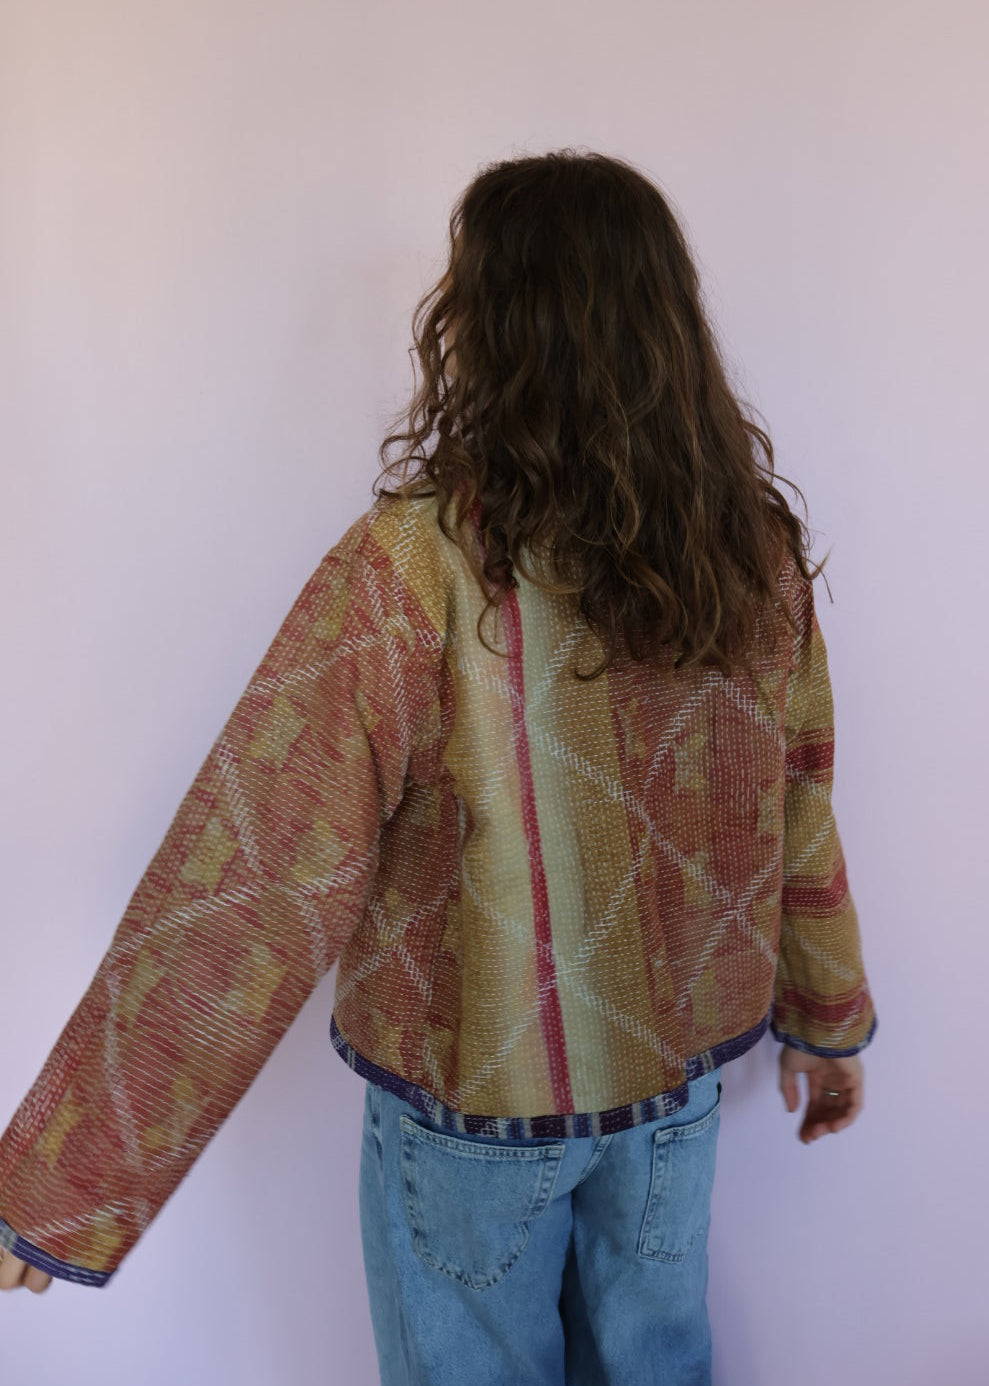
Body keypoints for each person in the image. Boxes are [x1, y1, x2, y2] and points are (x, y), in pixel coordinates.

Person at [0, 149, 876, 1385]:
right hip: (671, 1103)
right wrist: (825, 1022)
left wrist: (62, 1185)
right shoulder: (749, 558)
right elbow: (799, 800)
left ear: (484, 328)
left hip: (479, 1112)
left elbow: (259, 869)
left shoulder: (413, 566)